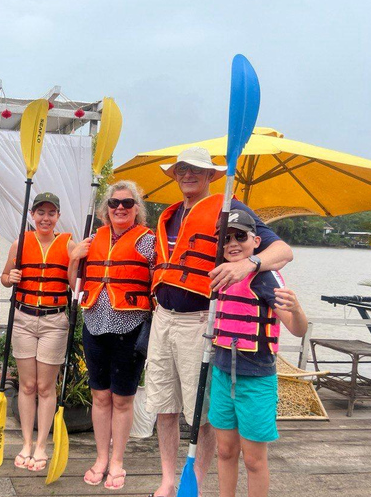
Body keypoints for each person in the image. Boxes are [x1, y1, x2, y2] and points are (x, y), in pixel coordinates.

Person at [147, 147, 294, 497]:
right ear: (174, 174)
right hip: (162, 319)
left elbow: (283, 252)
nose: (188, 174)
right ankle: (169, 479)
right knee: (164, 405)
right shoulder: (169, 216)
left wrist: (248, 265)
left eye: (197, 169)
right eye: (181, 169)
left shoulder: (231, 208)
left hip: (200, 320)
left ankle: (193, 481)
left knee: (201, 410)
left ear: (213, 175)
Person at [207, 210, 308, 497]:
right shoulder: (221, 275)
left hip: (257, 380)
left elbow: (297, 329)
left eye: (240, 236)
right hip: (223, 375)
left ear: (256, 240)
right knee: (225, 451)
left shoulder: (266, 279)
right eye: (226, 239)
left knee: (253, 459)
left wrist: (298, 309)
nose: (233, 243)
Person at [69, 180, 155, 490]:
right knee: (100, 396)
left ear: (136, 209)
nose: (120, 208)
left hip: (129, 329)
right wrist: (74, 258)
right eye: (114, 203)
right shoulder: (93, 239)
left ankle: (117, 460)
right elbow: (74, 285)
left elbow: (160, 284)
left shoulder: (149, 242)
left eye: (127, 203)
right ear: (106, 208)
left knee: (122, 399)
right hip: (94, 325)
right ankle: (101, 457)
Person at [1, 192, 75, 472]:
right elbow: (5, 278)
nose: (46, 218)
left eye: (51, 213)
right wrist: (12, 277)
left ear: (57, 217)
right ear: (32, 215)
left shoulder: (68, 245)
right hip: (23, 317)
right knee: (27, 385)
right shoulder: (20, 244)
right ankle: (26, 443)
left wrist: (76, 258)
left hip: (54, 321)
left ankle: (42, 445)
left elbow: (75, 283)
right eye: (40, 213)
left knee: (45, 387)